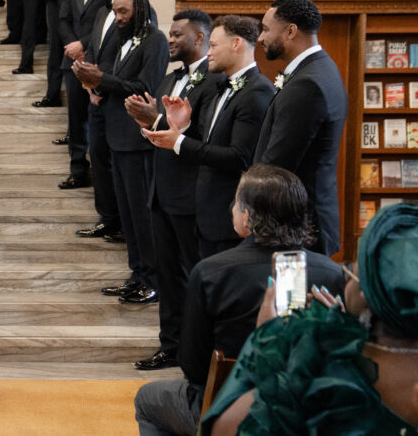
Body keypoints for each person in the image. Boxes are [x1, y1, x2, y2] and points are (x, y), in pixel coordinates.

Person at [134, 164, 344, 436]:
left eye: (235, 202)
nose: (231, 207)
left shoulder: (210, 273)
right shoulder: (332, 273)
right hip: (309, 411)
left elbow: (193, 367)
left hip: (228, 405)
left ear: (247, 217)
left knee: (147, 399)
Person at [204, 202, 418, 435]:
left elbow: (224, 428)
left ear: (368, 293)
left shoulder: (327, 378)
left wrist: (269, 341)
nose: (346, 276)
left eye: (351, 270)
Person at [124, 9, 222, 370]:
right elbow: (158, 130)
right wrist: (144, 120)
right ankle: (170, 345)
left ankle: (198, 351)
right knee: (167, 275)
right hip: (161, 190)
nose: (170, 39)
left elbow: (204, 136)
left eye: (178, 34)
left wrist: (157, 120)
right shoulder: (167, 80)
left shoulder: (213, 83)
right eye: (169, 33)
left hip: (191, 193)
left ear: (200, 38)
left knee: (193, 275)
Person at [146, 15, 275, 259]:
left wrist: (178, 142)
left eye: (214, 46)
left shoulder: (257, 91)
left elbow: (239, 157)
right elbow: (210, 144)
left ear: (236, 44)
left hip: (228, 214)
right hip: (206, 211)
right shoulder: (222, 87)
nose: (209, 52)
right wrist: (182, 126)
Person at [75, 0, 168, 304]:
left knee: (142, 215)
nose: (117, 17)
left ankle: (152, 278)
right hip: (116, 135)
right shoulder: (124, 40)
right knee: (127, 214)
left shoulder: (155, 41)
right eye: (115, 11)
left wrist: (102, 80)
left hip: (137, 139)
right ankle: (136, 273)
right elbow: (115, 79)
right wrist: (92, 81)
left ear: (140, 8)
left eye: (123, 11)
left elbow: (145, 86)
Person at [254, 0, 347, 256]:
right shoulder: (322, 68)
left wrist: (247, 201)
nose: (260, 38)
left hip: (300, 227)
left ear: (290, 31)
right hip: (307, 220)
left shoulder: (308, 83)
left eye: (265, 29)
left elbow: (278, 163)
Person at [57, 0, 113, 192]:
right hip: (72, 62)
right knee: (75, 119)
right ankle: (77, 170)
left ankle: (101, 173)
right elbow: (63, 19)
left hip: (99, 61)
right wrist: (72, 46)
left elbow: (109, 25)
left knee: (98, 119)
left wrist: (84, 45)